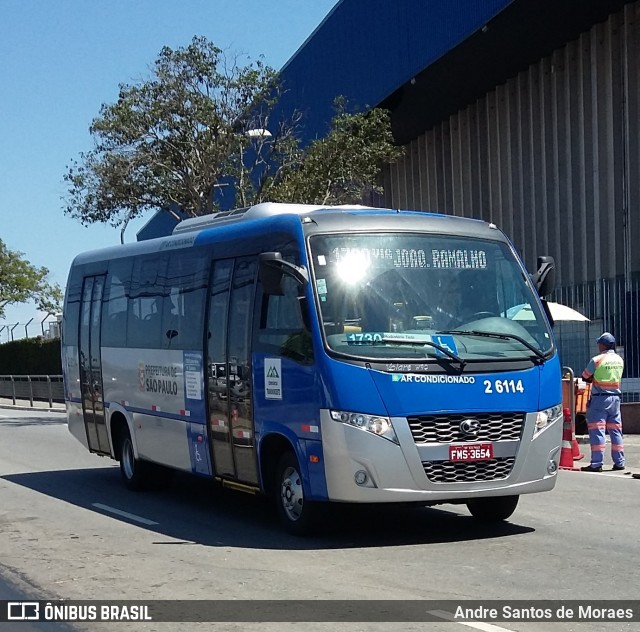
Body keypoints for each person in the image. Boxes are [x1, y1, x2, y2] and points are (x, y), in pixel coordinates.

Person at [580, 332, 625, 472]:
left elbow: (585, 376)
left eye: (599, 343)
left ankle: (597, 464)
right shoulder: (619, 360)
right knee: (616, 431)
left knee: (597, 431)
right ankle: (620, 462)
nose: (598, 345)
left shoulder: (597, 360)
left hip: (600, 399)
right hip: (615, 400)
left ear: (603, 345)